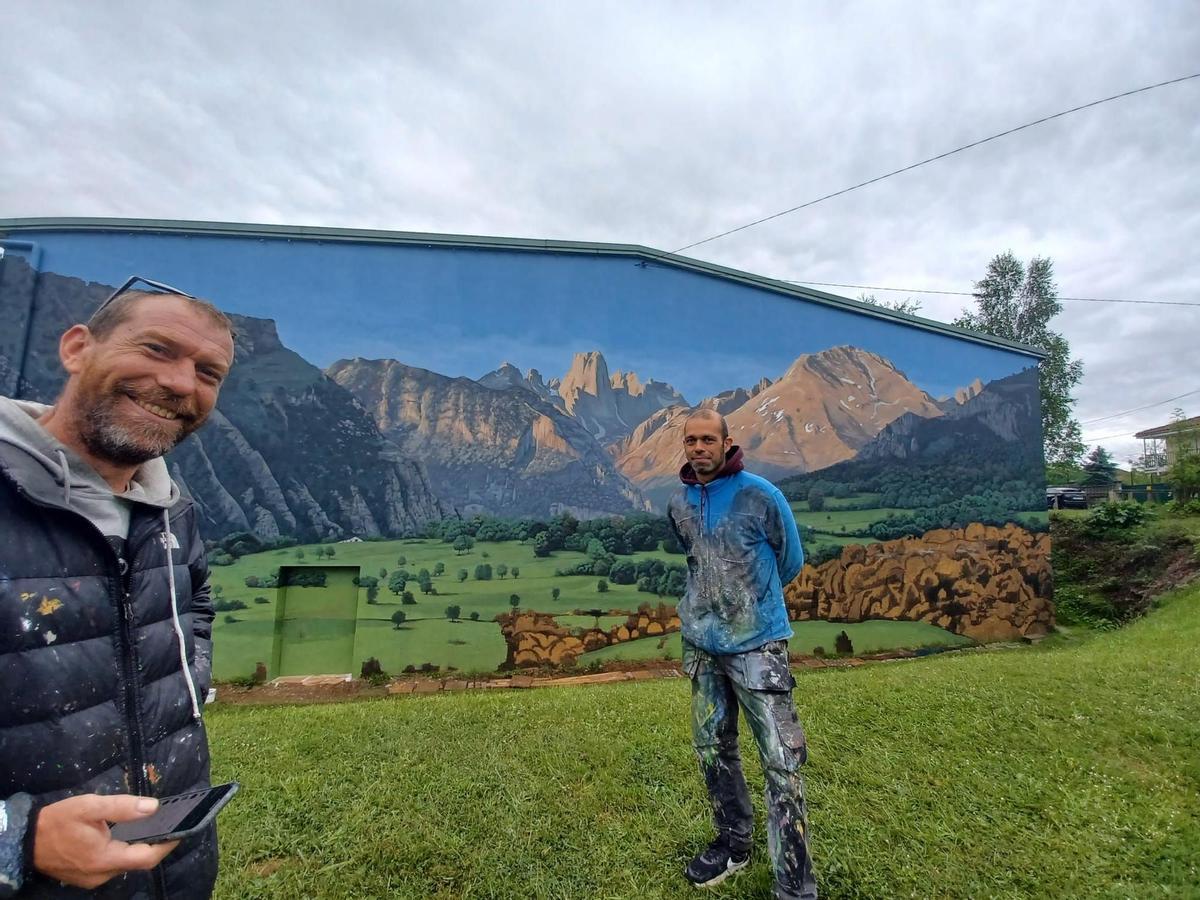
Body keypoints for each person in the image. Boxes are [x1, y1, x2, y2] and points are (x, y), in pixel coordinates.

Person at [0, 277, 235, 898]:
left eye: (208, 373)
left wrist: (188, 673)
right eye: (156, 350)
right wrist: (13, 842)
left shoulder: (170, 512)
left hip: (170, 870)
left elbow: (198, 603)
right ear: (77, 348)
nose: (182, 383)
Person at [668, 409, 817, 899]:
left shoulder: (761, 495)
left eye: (708, 439)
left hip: (757, 646)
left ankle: (793, 884)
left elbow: (789, 559)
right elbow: (694, 560)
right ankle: (734, 845)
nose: (699, 448)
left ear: (727, 442)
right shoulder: (680, 501)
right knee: (713, 749)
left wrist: (751, 607)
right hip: (702, 645)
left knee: (780, 761)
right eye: (691, 440)